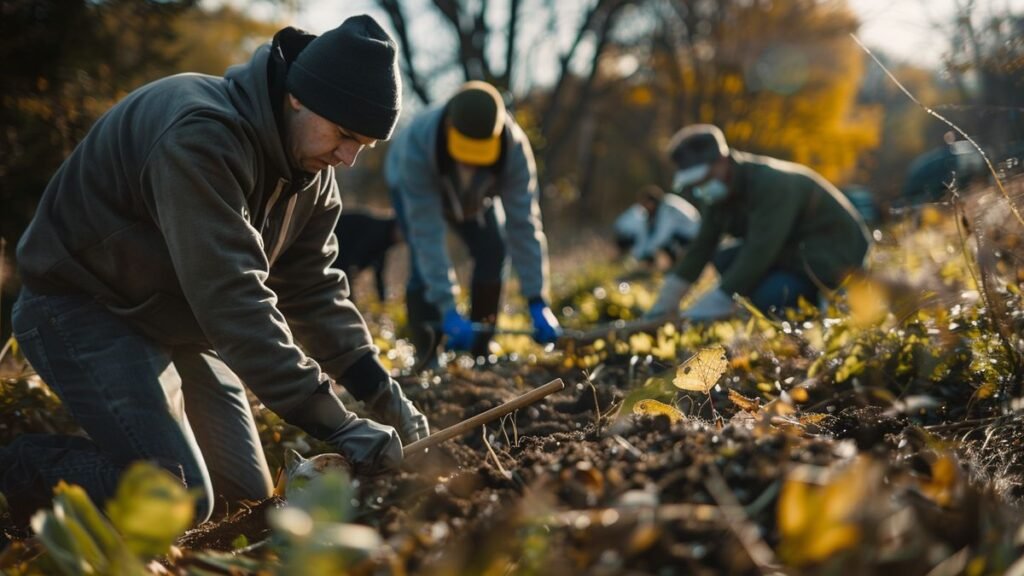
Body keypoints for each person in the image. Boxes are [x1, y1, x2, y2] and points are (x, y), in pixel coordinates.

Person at [2, 16, 429, 527]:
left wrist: (384, 394)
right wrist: (337, 424)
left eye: (364, 145)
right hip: (80, 307)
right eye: (344, 135)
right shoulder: (200, 134)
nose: (349, 158)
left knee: (240, 497)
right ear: (297, 96)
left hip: (176, 324)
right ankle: (18, 468)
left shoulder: (314, 175)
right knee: (177, 498)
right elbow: (234, 300)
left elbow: (313, 292)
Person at [385, 81, 561, 360]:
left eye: (479, 155)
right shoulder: (418, 145)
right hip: (415, 186)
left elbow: (524, 225)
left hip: (476, 198)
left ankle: (481, 349)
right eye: (465, 153)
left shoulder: (513, 149)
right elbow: (426, 236)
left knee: (494, 249)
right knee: (422, 265)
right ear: (449, 127)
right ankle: (428, 355)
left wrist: (537, 299)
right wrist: (447, 308)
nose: (471, 163)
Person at [646, 124, 871, 320]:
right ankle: (770, 301)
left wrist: (718, 300)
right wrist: (668, 299)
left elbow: (760, 250)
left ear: (723, 160)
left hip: (832, 252)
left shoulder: (771, 184)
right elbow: (702, 247)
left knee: (770, 296)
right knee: (724, 258)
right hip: (789, 251)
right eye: (694, 183)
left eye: (704, 177)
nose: (700, 187)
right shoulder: (715, 195)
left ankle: (817, 302)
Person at [613, 185, 700, 269]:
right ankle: (674, 267)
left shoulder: (667, 208)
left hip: (693, 235)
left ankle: (678, 268)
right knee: (663, 244)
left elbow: (662, 235)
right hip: (685, 233)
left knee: (667, 243)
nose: (644, 208)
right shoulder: (660, 208)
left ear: (651, 202)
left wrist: (644, 255)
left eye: (645, 204)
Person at [335, 209, 403, 301]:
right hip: (335, 239)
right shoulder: (378, 233)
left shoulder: (385, 236)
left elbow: (379, 270)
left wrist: (382, 299)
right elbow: (350, 262)